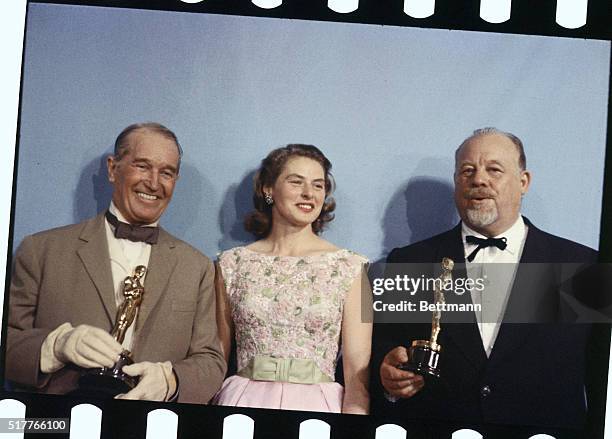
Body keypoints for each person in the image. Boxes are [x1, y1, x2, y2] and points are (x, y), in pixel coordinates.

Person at [371, 127, 599, 428]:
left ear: (523, 182)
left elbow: (600, 377)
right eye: (467, 170)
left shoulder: (582, 265)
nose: (478, 179)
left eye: (494, 169)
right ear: (456, 183)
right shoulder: (411, 261)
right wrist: (386, 375)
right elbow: (381, 351)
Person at [6, 122, 226, 403]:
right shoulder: (41, 250)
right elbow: (8, 342)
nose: (154, 183)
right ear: (113, 169)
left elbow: (211, 361)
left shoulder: (197, 267)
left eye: (166, 173)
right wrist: (56, 346)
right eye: (142, 166)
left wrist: (171, 380)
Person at [213, 144, 371, 414]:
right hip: (242, 404)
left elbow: (358, 373)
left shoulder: (354, 267)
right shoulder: (230, 264)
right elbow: (215, 358)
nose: (309, 193)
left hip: (320, 408)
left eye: (318, 185)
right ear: (268, 189)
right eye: (296, 182)